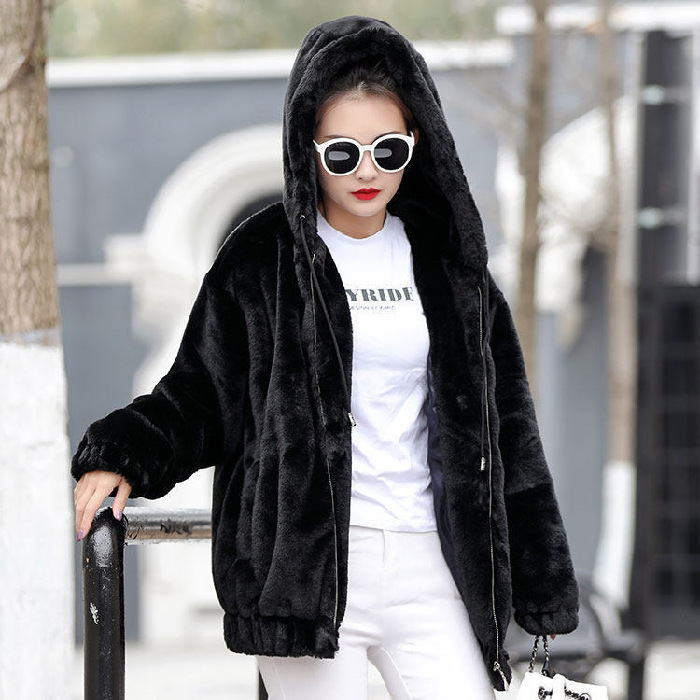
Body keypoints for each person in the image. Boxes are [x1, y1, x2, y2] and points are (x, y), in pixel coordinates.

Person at [73, 16, 579, 699]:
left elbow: (510, 427)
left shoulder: (451, 265)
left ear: (416, 140)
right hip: (305, 575)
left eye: (387, 150)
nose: (366, 171)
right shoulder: (263, 257)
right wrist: (122, 452)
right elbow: (198, 395)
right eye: (342, 153)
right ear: (307, 149)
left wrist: (544, 582)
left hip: (432, 565)